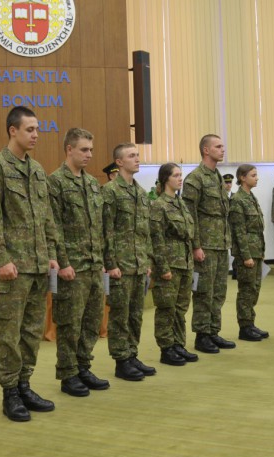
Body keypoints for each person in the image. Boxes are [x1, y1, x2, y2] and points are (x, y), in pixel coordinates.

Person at [0, 105, 59, 422]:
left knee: (31, 331)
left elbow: (46, 217)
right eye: (30, 129)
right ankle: (9, 392)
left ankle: (24, 385)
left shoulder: (37, 169)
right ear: (13, 130)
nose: (36, 135)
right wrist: (1, 259)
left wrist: (51, 253)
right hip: (12, 268)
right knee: (9, 333)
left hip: (37, 266)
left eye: (37, 129)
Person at [48, 127, 109, 397]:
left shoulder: (92, 183)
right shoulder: (55, 182)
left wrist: (102, 260)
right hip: (72, 266)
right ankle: (68, 373)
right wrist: (62, 263)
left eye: (91, 150)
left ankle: (83, 366)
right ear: (69, 149)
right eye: (84, 149)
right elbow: (53, 227)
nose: (89, 155)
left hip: (94, 265)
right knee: (70, 324)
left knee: (92, 321)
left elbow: (99, 226)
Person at [101, 142, 154, 382]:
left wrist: (147, 261)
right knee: (120, 315)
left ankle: (132, 355)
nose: (137, 159)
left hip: (139, 264)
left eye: (138, 155)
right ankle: (121, 360)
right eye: (132, 156)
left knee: (135, 315)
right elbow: (106, 230)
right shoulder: (110, 191)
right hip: (120, 266)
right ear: (119, 162)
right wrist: (110, 264)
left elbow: (145, 231)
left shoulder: (140, 192)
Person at [182, 134, 235, 353]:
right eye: (218, 146)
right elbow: (189, 215)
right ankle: (202, 335)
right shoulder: (195, 178)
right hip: (205, 245)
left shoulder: (216, 176)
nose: (223, 149)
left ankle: (213, 331)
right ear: (206, 150)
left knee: (219, 291)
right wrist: (195, 245)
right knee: (204, 291)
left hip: (221, 244)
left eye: (223, 146)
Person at [150, 163, 199, 366]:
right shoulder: (159, 205)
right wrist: (163, 268)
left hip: (185, 263)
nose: (180, 179)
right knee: (166, 308)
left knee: (180, 308)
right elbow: (156, 239)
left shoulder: (181, 203)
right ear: (165, 179)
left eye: (181, 175)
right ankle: (166, 348)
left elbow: (189, 233)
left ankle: (178, 344)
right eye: (176, 175)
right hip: (169, 264)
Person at [229, 164, 269, 341]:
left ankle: (250, 323)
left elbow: (257, 228)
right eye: (253, 175)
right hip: (247, 254)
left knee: (254, 289)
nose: (256, 178)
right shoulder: (238, 200)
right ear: (242, 178)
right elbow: (239, 232)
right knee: (246, 290)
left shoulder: (251, 197)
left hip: (256, 251)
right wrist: (246, 256)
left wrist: (261, 251)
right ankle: (244, 327)